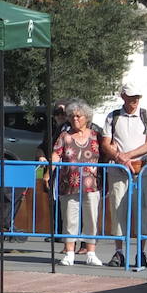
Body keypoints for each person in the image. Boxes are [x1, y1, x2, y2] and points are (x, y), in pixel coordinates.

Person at [101, 83, 147, 268]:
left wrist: (126, 156)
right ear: (123, 96)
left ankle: (141, 253)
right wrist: (119, 158)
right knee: (117, 209)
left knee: (143, 210)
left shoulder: (146, 115)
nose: (134, 101)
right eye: (131, 97)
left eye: (137, 97)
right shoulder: (113, 116)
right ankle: (119, 252)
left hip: (141, 169)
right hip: (118, 170)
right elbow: (105, 143)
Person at [50, 99, 103, 266]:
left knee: (91, 218)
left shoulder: (96, 136)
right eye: (72, 116)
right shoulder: (64, 136)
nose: (75, 119)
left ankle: (91, 253)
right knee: (69, 219)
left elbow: (106, 152)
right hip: (69, 183)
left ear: (86, 117)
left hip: (91, 184)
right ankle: (69, 252)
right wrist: (49, 171)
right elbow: (56, 153)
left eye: (78, 116)